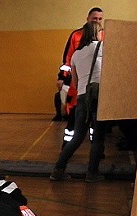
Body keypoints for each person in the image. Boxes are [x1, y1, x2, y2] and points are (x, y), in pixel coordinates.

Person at [50, 22, 106, 182]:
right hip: (98, 96)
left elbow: (74, 82)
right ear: (97, 33)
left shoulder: (76, 54)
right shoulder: (102, 48)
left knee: (77, 136)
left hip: (82, 96)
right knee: (98, 138)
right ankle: (92, 173)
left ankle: (58, 170)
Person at [56, 7, 103, 145]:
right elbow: (68, 59)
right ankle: (67, 145)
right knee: (74, 117)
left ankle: (96, 148)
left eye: (100, 19)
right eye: (95, 18)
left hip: (96, 86)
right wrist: (62, 77)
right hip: (79, 85)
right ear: (88, 19)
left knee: (96, 121)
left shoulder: (104, 36)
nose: (97, 21)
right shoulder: (76, 35)